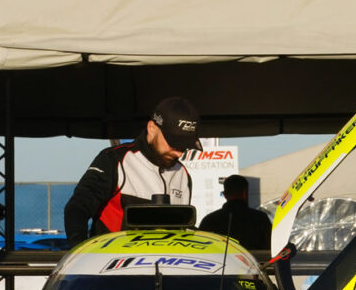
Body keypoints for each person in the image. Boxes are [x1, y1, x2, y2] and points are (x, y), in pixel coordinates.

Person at [64, 96, 200, 246]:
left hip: (167, 266)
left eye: (184, 147)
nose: (179, 153)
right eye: (174, 144)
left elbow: (183, 231)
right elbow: (76, 209)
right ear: (152, 128)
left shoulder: (183, 174)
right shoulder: (114, 160)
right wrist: (80, 252)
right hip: (114, 265)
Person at [198, 174, 271, 252]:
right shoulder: (260, 218)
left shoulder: (209, 220)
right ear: (244, 193)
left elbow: (200, 249)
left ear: (224, 194)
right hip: (256, 263)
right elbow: (269, 247)